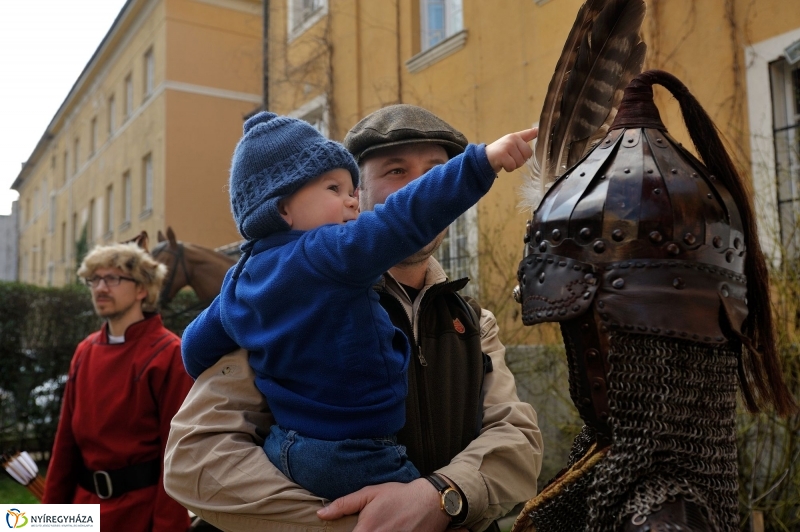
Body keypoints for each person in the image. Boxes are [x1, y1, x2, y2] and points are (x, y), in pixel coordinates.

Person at [165, 104, 543, 532]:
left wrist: (441, 496)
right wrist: (355, 524)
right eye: (396, 171)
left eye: (437, 170)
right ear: (356, 195)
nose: (419, 186)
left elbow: (519, 442)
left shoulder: (474, 321)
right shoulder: (289, 305)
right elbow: (195, 461)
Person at [44, 243, 193, 532]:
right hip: (82, 511)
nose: (100, 288)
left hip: (139, 514)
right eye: (94, 279)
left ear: (142, 289)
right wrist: (50, 518)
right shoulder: (85, 351)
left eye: (113, 279)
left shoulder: (169, 353)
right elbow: (65, 445)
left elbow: (175, 457)